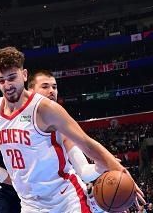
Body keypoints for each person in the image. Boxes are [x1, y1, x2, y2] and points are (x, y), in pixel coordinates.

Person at [0, 47, 145, 213]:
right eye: (1, 80)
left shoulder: (44, 110)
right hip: (31, 204)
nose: (7, 85)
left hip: (66, 200)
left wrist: (123, 173)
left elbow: (87, 143)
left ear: (24, 75)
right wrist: (4, 177)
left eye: (12, 78)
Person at [27, 69, 106, 213]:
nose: (51, 91)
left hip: (67, 200)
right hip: (32, 203)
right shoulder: (14, 122)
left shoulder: (61, 126)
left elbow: (84, 171)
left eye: (54, 87)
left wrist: (101, 166)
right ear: (30, 90)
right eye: (45, 86)